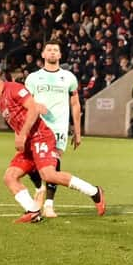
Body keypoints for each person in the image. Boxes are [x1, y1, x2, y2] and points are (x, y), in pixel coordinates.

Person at [0, 65, 105, 223]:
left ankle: (95, 192)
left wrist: (22, 134)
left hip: (41, 136)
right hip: (29, 143)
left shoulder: (14, 88)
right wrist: (20, 137)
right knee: (10, 177)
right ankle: (33, 211)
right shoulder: (1, 101)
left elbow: (33, 109)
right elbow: (19, 121)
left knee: (49, 175)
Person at [24, 40, 81, 218]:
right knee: (32, 164)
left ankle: (49, 204)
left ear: (60, 54)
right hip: (36, 127)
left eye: (56, 50)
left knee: (53, 165)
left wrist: (77, 131)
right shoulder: (33, 78)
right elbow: (25, 103)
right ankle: (39, 188)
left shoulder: (69, 77)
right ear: (43, 54)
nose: (52, 52)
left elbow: (75, 104)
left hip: (58, 129)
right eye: (49, 50)